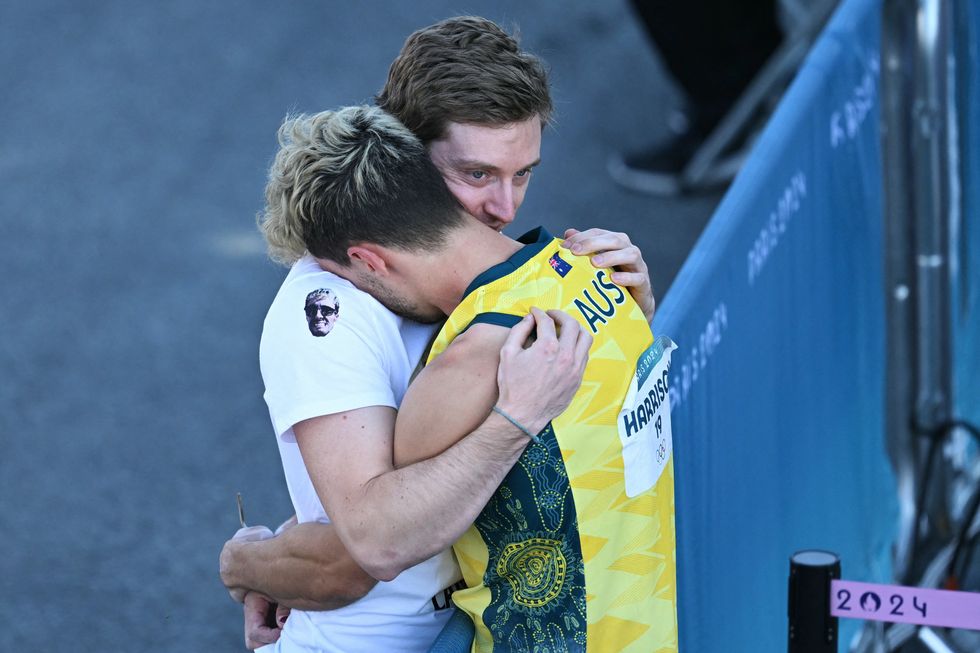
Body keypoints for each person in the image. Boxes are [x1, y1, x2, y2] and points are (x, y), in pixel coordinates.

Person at [220, 16, 660, 651]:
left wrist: (634, 321)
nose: (505, 209)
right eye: (477, 175)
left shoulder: (524, 280)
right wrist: (250, 565)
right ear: (408, 157)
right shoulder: (328, 310)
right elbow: (367, 548)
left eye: (523, 173)